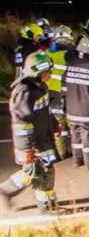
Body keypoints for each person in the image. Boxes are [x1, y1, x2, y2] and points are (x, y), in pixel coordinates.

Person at [0, 52, 63, 214]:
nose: (51, 75)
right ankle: (45, 205)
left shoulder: (40, 87)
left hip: (43, 137)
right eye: (48, 71)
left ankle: (6, 191)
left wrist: (54, 125)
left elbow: (44, 111)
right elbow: (21, 123)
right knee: (39, 172)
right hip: (33, 141)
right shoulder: (25, 92)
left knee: (42, 169)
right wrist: (26, 149)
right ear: (39, 72)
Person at [63, 36, 89, 170]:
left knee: (75, 136)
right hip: (87, 110)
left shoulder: (70, 65)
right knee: (87, 136)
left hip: (71, 109)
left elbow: (63, 88)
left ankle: (77, 160)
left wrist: (64, 104)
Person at [46, 25, 77, 159]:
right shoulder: (70, 52)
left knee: (54, 122)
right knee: (65, 124)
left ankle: (54, 150)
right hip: (64, 92)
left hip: (49, 91)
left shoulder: (48, 52)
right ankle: (63, 152)